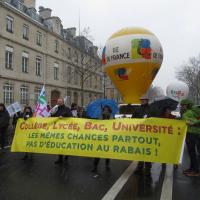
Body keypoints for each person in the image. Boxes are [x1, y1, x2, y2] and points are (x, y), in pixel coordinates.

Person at [132, 95, 152, 176]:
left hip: (149, 134)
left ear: (147, 100)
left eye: (144, 100)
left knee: (147, 151)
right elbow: (133, 120)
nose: (143, 101)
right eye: (141, 100)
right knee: (140, 151)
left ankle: (148, 168)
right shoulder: (137, 109)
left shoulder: (151, 109)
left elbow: (156, 120)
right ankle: (139, 167)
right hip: (140, 134)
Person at [181, 99, 200, 177]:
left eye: (183, 105)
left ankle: (196, 170)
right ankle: (192, 168)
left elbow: (190, 121)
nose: (182, 107)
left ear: (188, 105)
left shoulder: (190, 112)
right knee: (192, 152)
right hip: (195, 132)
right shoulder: (195, 110)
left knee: (192, 153)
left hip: (191, 133)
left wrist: (192, 122)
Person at [91, 105, 112, 173]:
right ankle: (95, 166)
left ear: (109, 110)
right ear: (103, 110)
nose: (105, 111)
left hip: (108, 137)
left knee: (107, 152)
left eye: (107, 110)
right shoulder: (100, 117)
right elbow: (96, 125)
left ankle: (107, 164)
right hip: (100, 137)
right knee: (98, 152)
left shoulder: (111, 117)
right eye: (104, 109)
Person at [52, 98, 72, 164]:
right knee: (59, 144)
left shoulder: (67, 109)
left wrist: (63, 116)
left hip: (65, 129)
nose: (59, 102)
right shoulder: (56, 109)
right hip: (58, 129)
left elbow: (70, 116)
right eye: (58, 102)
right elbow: (53, 116)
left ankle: (67, 154)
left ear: (63, 102)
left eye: (60, 101)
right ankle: (60, 158)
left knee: (65, 143)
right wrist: (51, 114)